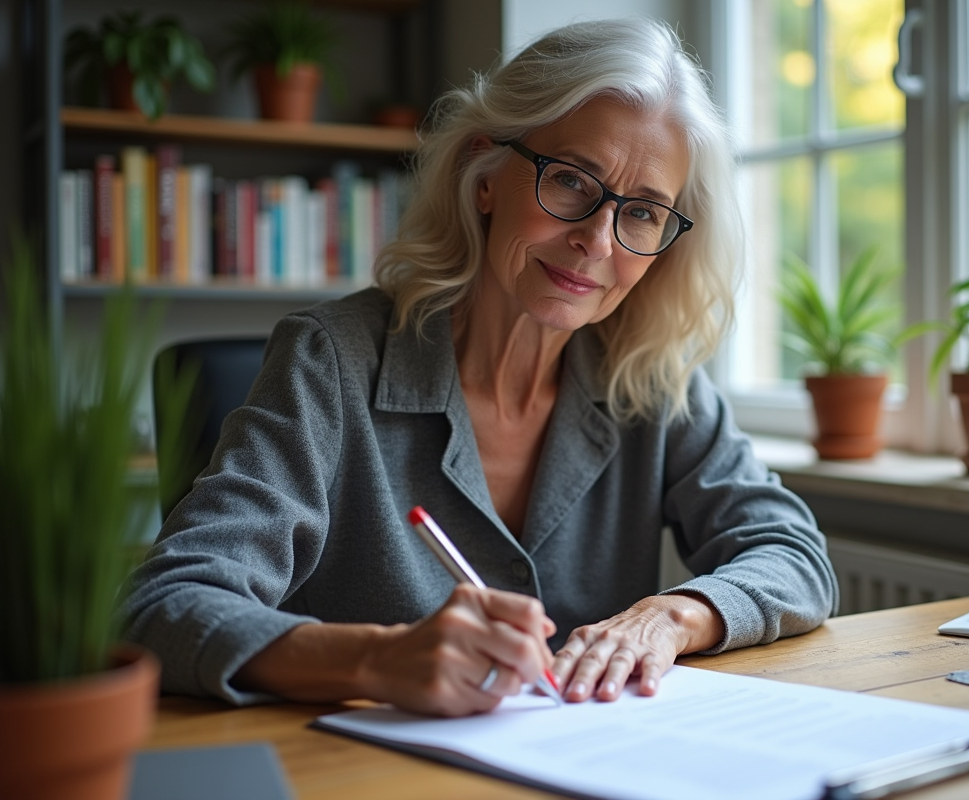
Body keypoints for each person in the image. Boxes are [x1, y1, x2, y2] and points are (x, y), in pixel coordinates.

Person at [122, 18, 838, 718]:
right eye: (569, 180)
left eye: (645, 213)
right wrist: (377, 659)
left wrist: (672, 617)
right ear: (483, 172)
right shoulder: (331, 358)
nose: (596, 239)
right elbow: (164, 605)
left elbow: (795, 555)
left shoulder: (654, 378)